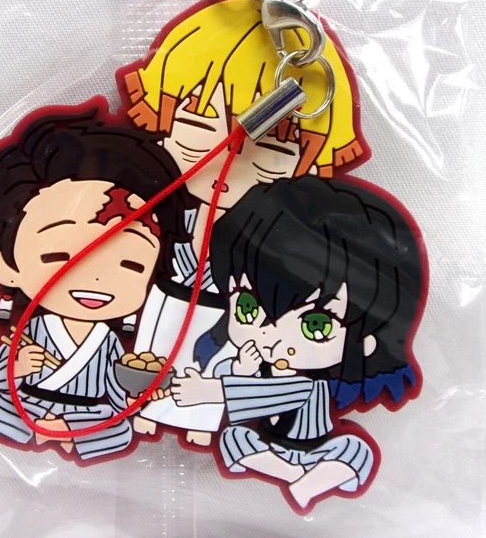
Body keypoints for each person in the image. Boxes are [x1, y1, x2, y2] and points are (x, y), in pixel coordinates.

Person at [116, 0, 368, 446]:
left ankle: (199, 426)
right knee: (150, 367)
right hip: (160, 316)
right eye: (196, 125)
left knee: (212, 381)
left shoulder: (276, 246)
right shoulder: (163, 219)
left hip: (228, 333)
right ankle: (147, 413)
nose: (226, 157)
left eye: (272, 148)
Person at [171, 177, 426, 510]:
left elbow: (274, 394)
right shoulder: (257, 363)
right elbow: (244, 392)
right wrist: (239, 369)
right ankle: (296, 477)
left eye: (315, 325)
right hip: (270, 449)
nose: (271, 336)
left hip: (320, 450)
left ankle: (306, 479)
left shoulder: (309, 385)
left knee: (355, 450)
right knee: (234, 438)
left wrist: (212, 391)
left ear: (368, 340)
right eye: (248, 307)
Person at [0, 102, 192, 461]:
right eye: (58, 256)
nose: (96, 277)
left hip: (84, 414)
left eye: (130, 264)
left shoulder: (108, 342)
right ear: (6, 266)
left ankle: (70, 434)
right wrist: (17, 367)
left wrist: (139, 392)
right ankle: (46, 430)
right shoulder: (30, 331)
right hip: (28, 404)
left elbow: (116, 394)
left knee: (117, 426)